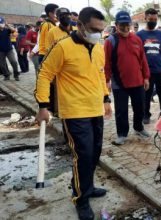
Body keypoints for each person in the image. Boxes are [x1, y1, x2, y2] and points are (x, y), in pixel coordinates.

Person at [35, 7, 111, 220]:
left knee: (94, 153)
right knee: (83, 155)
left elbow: (100, 74)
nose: (98, 34)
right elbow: (44, 74)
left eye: (101, 30)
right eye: (94, 29)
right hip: (74, 113)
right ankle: (81, 198)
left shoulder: (98, 47)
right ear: (80, 26)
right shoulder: (62, 47)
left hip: (95, 108)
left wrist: (106, 98)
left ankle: (87, 185)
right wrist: (43, 105)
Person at [105, 11, 151, 145]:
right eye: (122, 25)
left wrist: (146, 77)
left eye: (127, 25)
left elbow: (143, 60)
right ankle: (122, 134)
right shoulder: (111, 41)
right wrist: (106, 81)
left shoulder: (136, 39)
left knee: (140, 107)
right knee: (121, 110)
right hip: (119, 83)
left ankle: (139, 128)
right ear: (116, 25)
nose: (125, 28)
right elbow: (107, 63)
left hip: (137, 81)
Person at [137, 8, 161, 124]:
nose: (153, 21)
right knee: (146, 94)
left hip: (160, 70)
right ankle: (146, 115)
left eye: (155, 19)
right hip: (146, 71)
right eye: (151, 19)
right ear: (145, 18)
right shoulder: (139, 35)